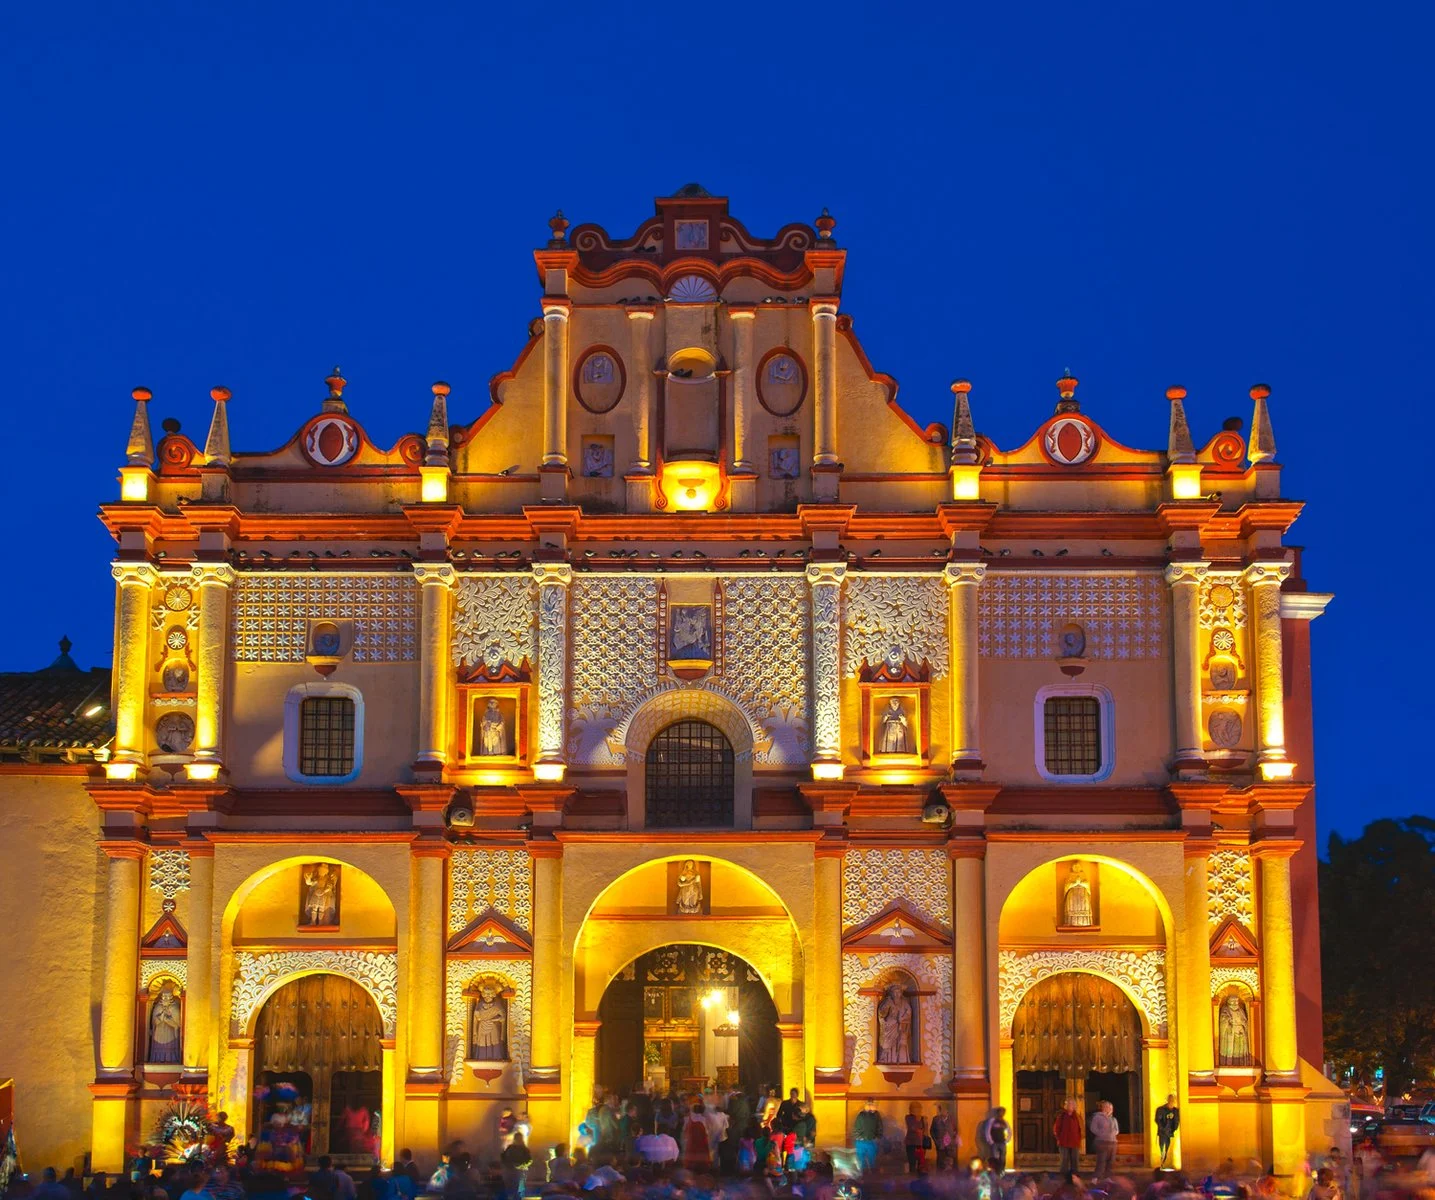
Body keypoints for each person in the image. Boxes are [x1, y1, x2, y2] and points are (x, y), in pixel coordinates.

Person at [1089, 1101, 1119, 1180]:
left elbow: (1117, 1130)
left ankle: (1107, 1179)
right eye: (1108, 1107)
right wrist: (1102, 1134)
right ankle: (1095, 1179)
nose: (1110, 1109)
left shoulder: (1113, 1119)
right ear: (1104, 1108)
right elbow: (1093, 1128)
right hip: (1102, 1142)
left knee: (1110, 1162)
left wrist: (1113, 1133)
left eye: (1111, 1108)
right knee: (1101, 1162)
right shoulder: (1097, 1117)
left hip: (1112, 1142)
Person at [853, 1099, 883, 1176]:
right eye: (868, 1104)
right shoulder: (861, 1115)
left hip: (870, 1141)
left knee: (872, 1159)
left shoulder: (876, 1115)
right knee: (862, 1160)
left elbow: (880, 1127)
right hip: (862, 1141)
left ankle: (871, 1175)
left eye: (871, 1104)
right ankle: (864, 1174)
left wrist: (878, 1137)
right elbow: (856, 1127)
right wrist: (858, 1136)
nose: (870, 1106)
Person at [1054, 1099, 1083, 1176]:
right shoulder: (1061, 1116)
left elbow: (1081, 1128)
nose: (1069, 1105)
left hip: (1075, 1142)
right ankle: (1063, 1175)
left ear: (1074, 1106)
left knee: (1075, 1159)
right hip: (1063, 1141)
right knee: (1064, 1159)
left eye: (1071, 1104)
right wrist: (1058, 1138)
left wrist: (1080, 1139)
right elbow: (1056, 1128)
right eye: (1067, 1104)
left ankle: (1075, 1175)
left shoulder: (1078, 1116)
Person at [774, 1088, 803, 1166]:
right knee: (783, 1147)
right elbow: (778, 1114)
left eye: (794, 1094)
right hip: (785, 1127)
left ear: (797, 1095)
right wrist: (781, 1122)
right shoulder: (785, 1103)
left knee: (793, 1147)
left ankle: (791, 1165)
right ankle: (781, 1164)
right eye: (791, 1093)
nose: (792, 1095)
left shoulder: (800, 1104)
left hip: (795, 1128)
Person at [499, 1132, 531, 1200]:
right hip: (512, 1171)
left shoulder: (523, 1149)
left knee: (516, 1190)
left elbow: (529, 1160)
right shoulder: (513, 1148)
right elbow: (503, 1158)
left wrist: (519, 1165)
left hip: (517, 1172)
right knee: (513, 1190)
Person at [980, 1108, 1011, 1174]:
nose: (1001, 1114)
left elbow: (1009, 1131)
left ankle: (1002, 1170)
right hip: (995, 1142)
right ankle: (996, 1171)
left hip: (1002, 1142)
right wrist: (990, 1141)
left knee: (1003, 1157)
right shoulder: (992, 1121)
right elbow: (987, 1131)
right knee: (995, 1158)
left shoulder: (1005, 1122)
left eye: (1003, 1113)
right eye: (1000, 1112)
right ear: (997, 1113)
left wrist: (1007, 1140)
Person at [683, 1103, 712, 1172]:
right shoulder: (703, 1119)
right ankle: (702, 1166)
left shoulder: (688, 1118)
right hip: (702, 1140)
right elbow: (707, 1130)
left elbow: (685, 1129)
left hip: (692, 1140)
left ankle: (691, 1166)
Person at [1154, 1095, 1180, 1169]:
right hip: (1162, 1133)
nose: (1172, 1102)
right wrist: (1163, 1128)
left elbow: (1176, 1121)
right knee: (1162, 1148)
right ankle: (1162, 1163)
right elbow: (1158, 1120)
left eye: (1173, 1101)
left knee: (1168, 1148)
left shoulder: (1175, 1111)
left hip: (1170, 1133)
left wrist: (1173, 1129)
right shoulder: (1161, 1110)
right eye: (1170, 1100)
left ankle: (1166, 1162)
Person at [905, 1103, 928, 1175]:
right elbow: (912, 1127)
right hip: (911, 1143)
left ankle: (919, 1178)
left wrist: (925, 1122)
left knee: (921, 1163)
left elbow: (925, 1131)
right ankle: (912, 1178)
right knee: (912, 1162)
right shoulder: (908, 1117)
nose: (917, 1110)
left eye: (918, 1108)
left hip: (921, 1143)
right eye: (915, 1108)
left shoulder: (923, 1118)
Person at [930, 1106, 955, 1170]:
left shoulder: (952, 1119)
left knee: (949, 1161)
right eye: (942, 1110)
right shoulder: (936, 1119)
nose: (943, 1112)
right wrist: (936, 1141)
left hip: (950, 1145)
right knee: (940, 1161)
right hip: (940, 1144)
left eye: (945, 1110)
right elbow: (932, 1131)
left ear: (947, 1111)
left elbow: (955, 1130)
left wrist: (952, 1140)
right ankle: (939, 1175)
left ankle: (948, 1175)